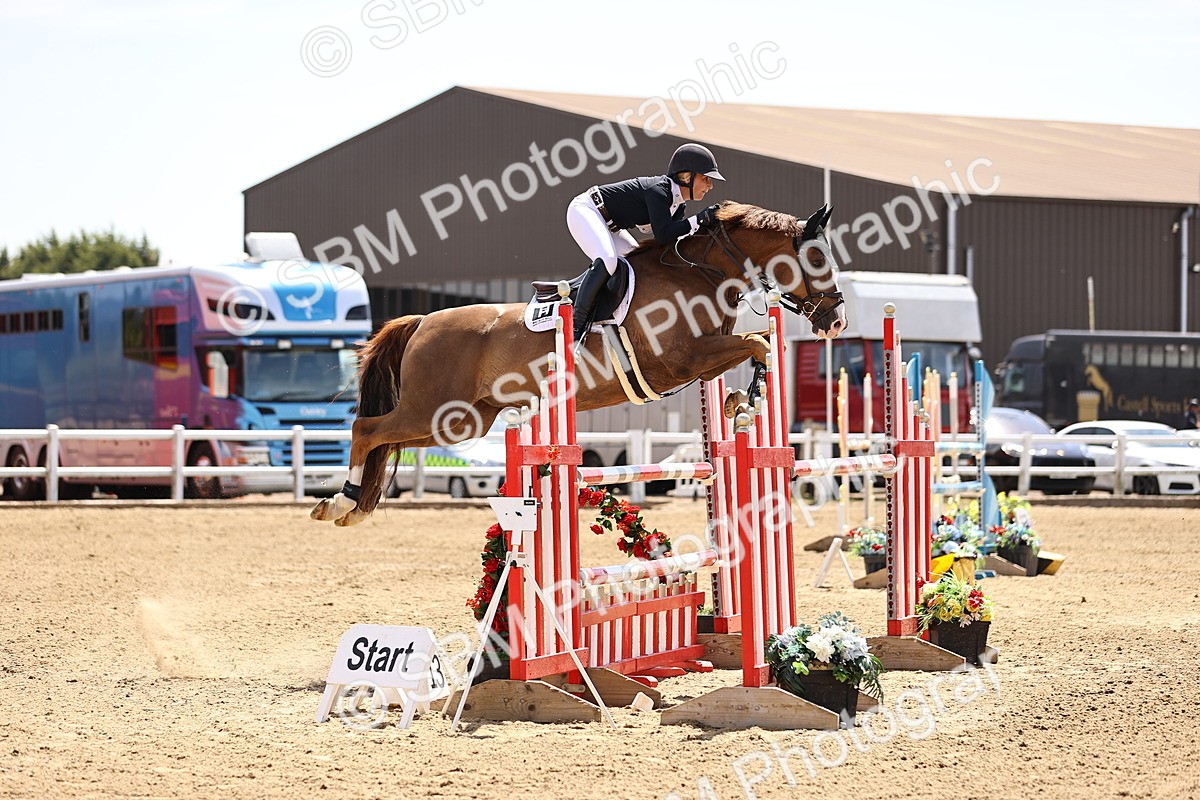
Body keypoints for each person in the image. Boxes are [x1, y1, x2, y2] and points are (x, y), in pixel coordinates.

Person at [565, 142, 725, 342]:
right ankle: (576, 326)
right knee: (608, 259)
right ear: (686, 177)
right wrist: (698, 220)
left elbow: (669, 246)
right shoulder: (659, 191)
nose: (710, 186)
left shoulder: (677, 206)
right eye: (706, 179)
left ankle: (610, 320)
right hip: (587, 210)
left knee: (638, 268)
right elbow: (664, 234)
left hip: (611, 225)